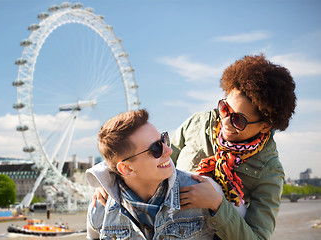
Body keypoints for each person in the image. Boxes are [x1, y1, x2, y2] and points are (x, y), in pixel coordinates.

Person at [89, 54, 296, 240]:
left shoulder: (269, 170)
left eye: (238, 120)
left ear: (266, 125)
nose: (225, 121)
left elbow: (257, 237)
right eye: (224, 108)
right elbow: (152, 156)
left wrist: (217, 205)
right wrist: (112, 180)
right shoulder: (199, 124)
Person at [86, 109, 220, 240]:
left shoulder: (204, 192)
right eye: (156, 148)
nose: (168, 150)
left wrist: (217, 205)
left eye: (164, 139)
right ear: (127, 169)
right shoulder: (99, 209)